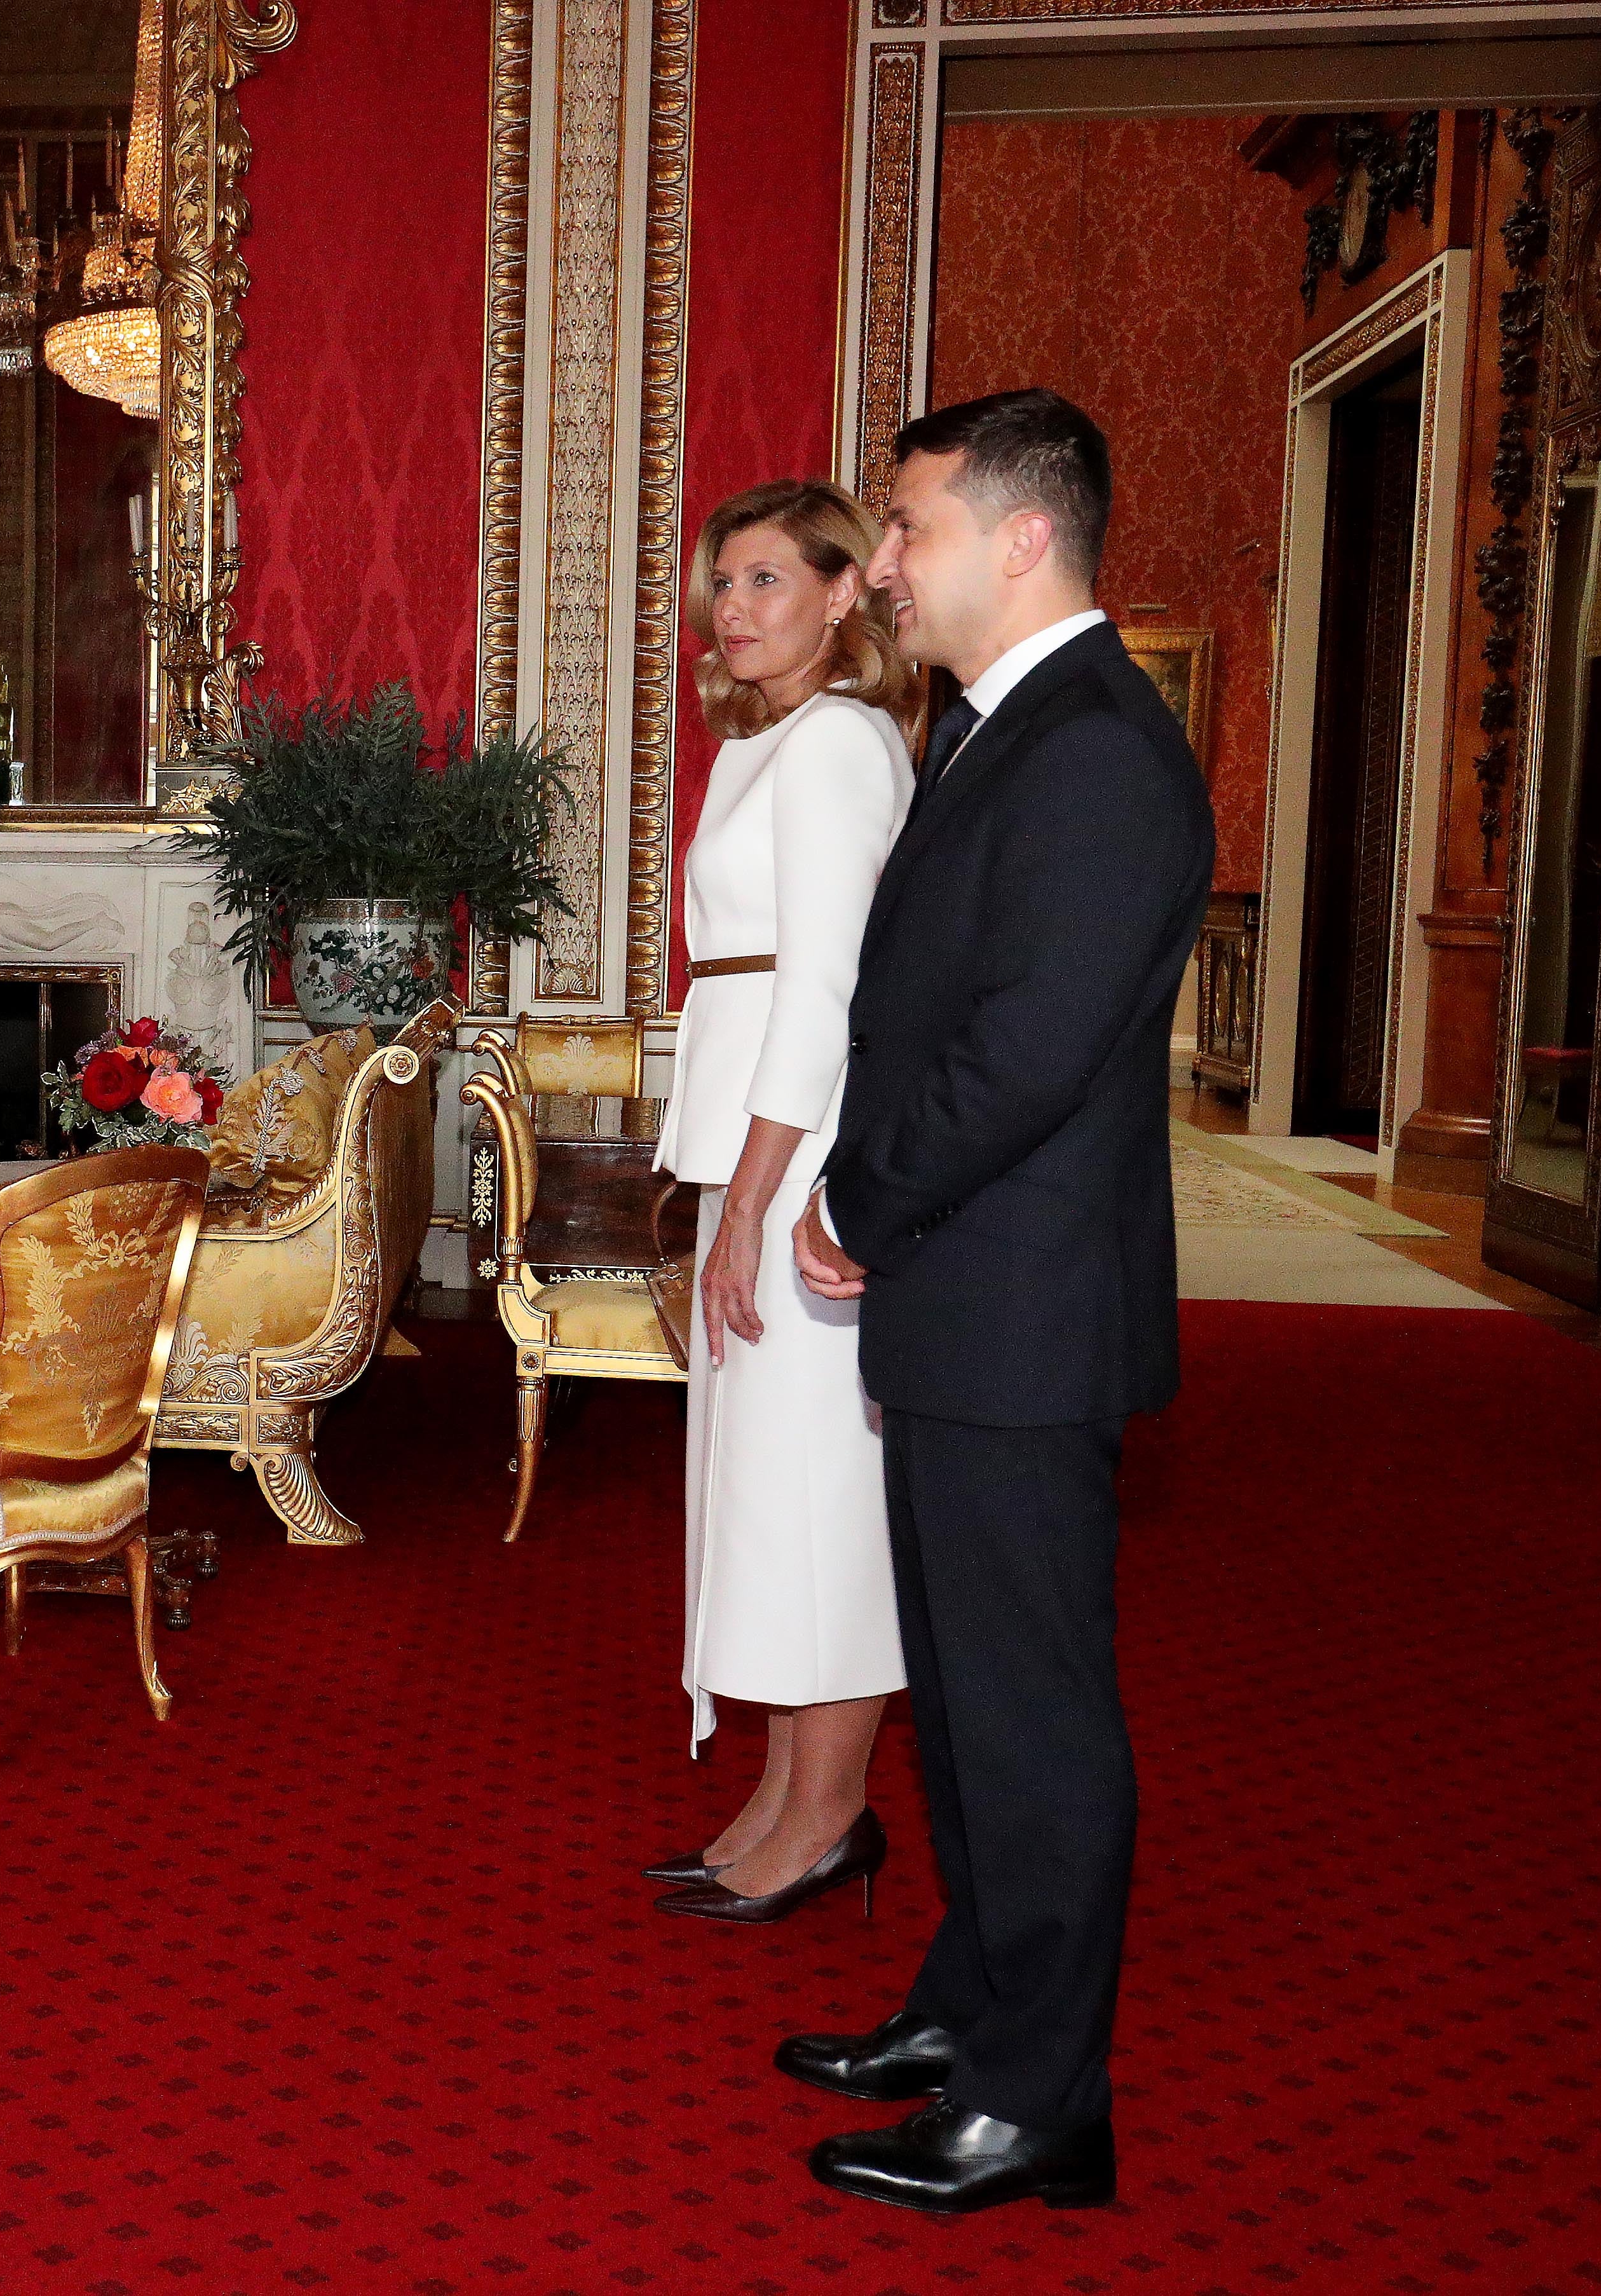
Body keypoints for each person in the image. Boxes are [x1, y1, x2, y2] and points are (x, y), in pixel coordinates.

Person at [784, 388, 1213, 2214]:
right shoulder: (1000, 726)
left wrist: (863, 1198)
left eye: (910, 527)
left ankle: (1042, 2097)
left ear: (1022, 539)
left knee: (1031, 1710)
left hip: (1019, 1302)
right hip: (969, 1298)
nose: (884, 562)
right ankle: (973, 2003)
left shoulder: (1103, 749)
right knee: (959, 1697)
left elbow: (1028, 1049)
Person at [641, 480, 921, 1926]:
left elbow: (821, 995)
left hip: (799, 1153)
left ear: (839, 595)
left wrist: (751, 1202)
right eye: (723, 588)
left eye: (765, 582)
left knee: (823, 1499)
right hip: (752, 1136)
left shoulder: (839, 746)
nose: (735, 611)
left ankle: (830, 1817)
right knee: (769, 1491)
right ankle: (778, 1800)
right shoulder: (770, 743)